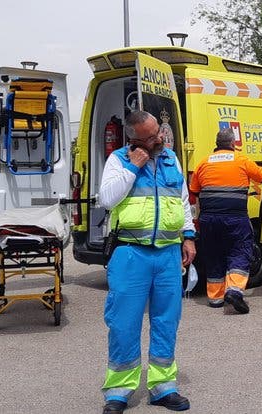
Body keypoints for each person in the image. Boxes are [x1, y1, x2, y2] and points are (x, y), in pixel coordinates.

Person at [98, 110, 196, 414]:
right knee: (124, 324)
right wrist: (133, 166)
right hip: (130, 253)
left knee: (167, 322)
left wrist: (188, 236)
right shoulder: (118, 160)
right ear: (135, 139)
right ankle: (118, 391)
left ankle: (164, 386)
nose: (160, 138)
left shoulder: (171, 159)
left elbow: (182, 200)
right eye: (152, 137)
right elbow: (107, 199)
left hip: (167, 253)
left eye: (159, 132)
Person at [189, 127, 262, 314]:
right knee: (240, 251)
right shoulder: (241, 160)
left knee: (213, 254)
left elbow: (193, 192)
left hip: (209, 219)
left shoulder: (203, 163)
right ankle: (234, 290)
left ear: (217, 143)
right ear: (233, 143)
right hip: (235, 218)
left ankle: (215, 298)